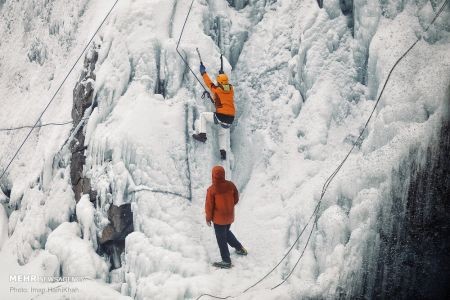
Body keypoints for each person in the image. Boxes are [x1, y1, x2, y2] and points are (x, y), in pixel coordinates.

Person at [205, 165, 247, 268]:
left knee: (221, 239)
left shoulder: (212, 190)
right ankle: (240, 248)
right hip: (229, 217)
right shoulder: (230, 185)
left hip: (219, 220)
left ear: (213, 176)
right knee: (226, 233)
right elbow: (236, 198)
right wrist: (228, 206)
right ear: (223, 174)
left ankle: (226, 261)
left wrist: (208, 218)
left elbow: (209, 206)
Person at [192, 63, 235, 160]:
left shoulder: (217, 90)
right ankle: (223, 152)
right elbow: (224, 89)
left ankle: (202, 135)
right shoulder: (231, 89)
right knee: (222, 132)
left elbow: (209, 83)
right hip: (230, 119)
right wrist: (222, 75)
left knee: (203, 116)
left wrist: (203, 73)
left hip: (221, 116)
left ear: (219, 83)